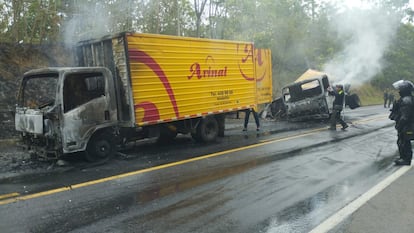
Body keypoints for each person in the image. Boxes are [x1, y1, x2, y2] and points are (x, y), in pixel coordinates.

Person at [389, 80, 414, 166]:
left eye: (400, 89)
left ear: (404, 90)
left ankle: (406, 159)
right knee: (402, 141)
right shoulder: (406, 99)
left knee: (405, 142)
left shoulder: (406, 100)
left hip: (408, 126)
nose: (399, 91)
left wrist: (399, 125)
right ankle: (403, 157)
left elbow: (405, 116)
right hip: (407, 125)